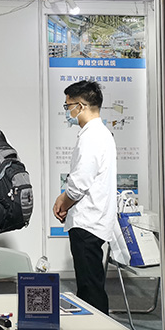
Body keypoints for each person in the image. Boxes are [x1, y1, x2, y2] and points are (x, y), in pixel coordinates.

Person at [53, 80, 118, 314]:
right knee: (91, 284)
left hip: (87, 222)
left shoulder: (92, 137)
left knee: (90, 289)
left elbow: (79, 184)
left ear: (80, 106)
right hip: (95, 219)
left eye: (67, 106)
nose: (67, 111)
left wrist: (62, 201)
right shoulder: (102, 133)